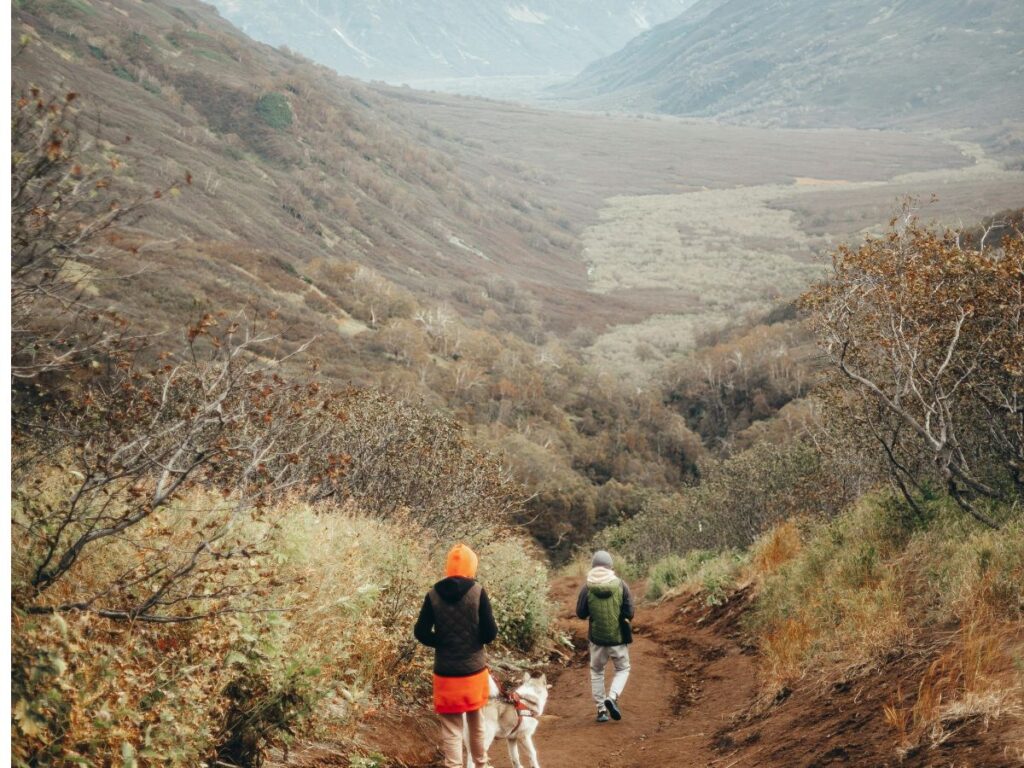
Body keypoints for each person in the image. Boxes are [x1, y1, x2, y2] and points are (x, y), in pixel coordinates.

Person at [414, 543, 498, 768]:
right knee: (477, 723)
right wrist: (472, 640)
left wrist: (442, 641)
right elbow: (490, 633)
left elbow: (420, 632)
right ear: (472, 566)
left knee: (451, 729)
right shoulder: (478, 592)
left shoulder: (432, 594)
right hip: (473, 671)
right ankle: (481, 764)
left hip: (446, 673)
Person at [576, 549, 634, 722]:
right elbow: (629, 613)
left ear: (593, 566)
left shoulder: (587, 587)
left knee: (597, 671)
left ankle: (601, 710)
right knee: (623, 668)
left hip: (597, 638)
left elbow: (580, 613)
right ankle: (613, 697)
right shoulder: (621, 585)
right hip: (618, 638)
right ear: (610, 566)